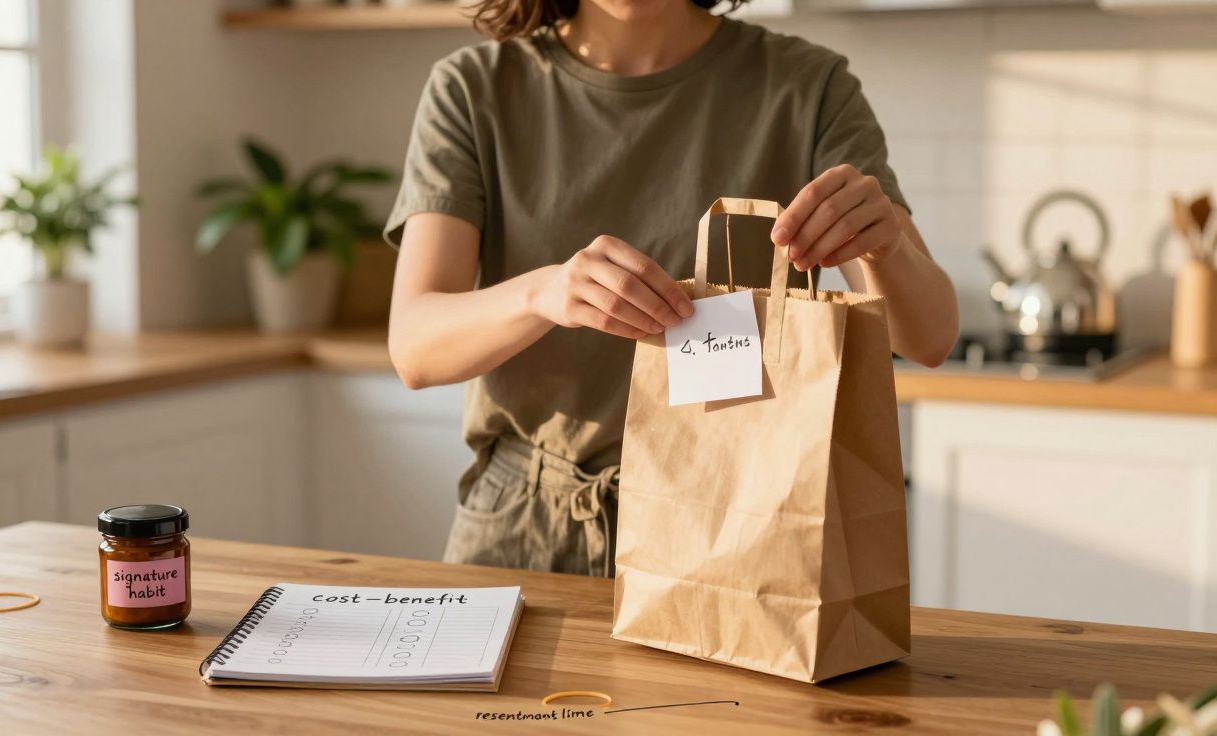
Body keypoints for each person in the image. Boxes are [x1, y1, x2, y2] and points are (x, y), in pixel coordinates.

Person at [383, 0, 959, 577]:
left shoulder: (807, 87)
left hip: (732, 530)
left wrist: (886, 247)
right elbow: (415, 348)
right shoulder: (471, 89)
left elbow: (929, 337)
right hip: (524, 532)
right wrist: (545, 293)